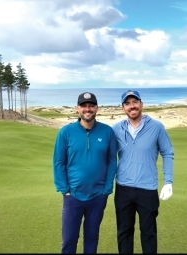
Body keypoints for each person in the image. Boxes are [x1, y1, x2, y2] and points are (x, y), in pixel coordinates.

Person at [53, 92, 117, 254]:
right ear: (77, 109)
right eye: (84, 106)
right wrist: (65, 189)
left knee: (91, 238)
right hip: (73, 196)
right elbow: (59, 162)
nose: (87, 109)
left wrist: (107, 189)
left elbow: (112, 161)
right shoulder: (66, 132)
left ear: (96, 108)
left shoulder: (107, 132)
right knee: (69, 240)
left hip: (98, 196)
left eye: (91, 106)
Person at [112, 90, 174, 254]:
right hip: (123, 188)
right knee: (124, 233)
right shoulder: (116, 129)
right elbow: (108, 156)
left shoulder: (157, 127)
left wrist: (168, 182)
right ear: (123, 108)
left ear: (141, 104)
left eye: (135, 102)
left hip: (147, 189)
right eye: (128, 103)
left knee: (148, 233)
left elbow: (167, 153)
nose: (132, 106)